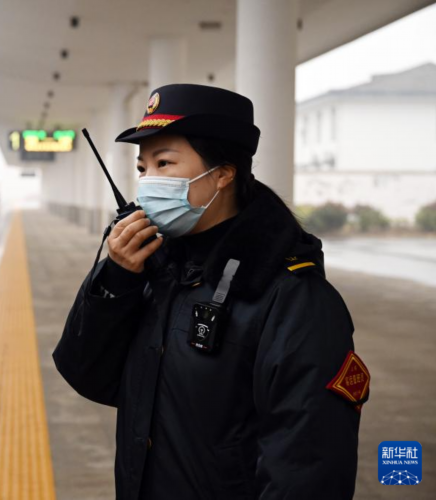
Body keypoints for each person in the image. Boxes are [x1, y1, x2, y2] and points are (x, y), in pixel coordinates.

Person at [53, 84, 370, 500]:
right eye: (143, 168)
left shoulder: (294, 298)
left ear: (222, 173)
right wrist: (117, 279)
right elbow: (88, 375)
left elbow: (308, 466)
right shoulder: (156, 268)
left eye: (164, 163)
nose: (148, 182)